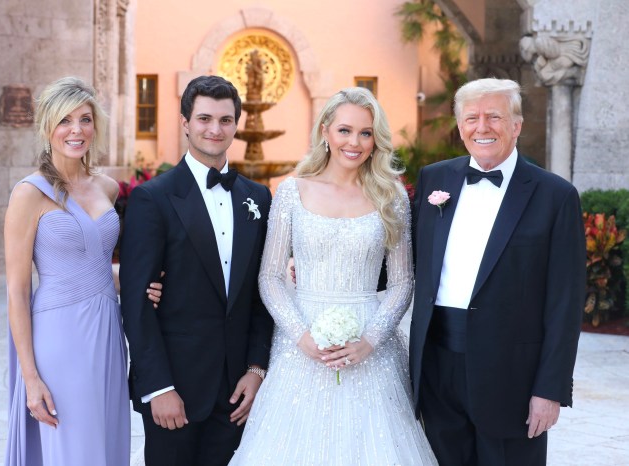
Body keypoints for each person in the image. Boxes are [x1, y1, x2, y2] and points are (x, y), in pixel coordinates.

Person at [229, 87, 437, 465]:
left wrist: (370, 340)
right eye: (345, 130)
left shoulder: (391, 196)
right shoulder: (292, 191)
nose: (354, 142)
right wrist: (301, 336)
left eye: (366, 132)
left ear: (376, 139)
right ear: (325, 131)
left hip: (370, 347)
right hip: (300, 346)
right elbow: (271, 276)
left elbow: (403, 282)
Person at [409, 78, 585, 465]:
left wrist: (550, 390)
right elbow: (406, 261)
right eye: (471, 118)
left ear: (517, 125)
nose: (482, 127)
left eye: (494, 117)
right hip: (438, 367)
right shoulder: (434, 179)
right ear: (460, 127)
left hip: (513, 379)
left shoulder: (556, 196)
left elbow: (565, 304)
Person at [119, 75, 274, 466]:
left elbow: (261, 292)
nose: (214, 129)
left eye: (225, 120)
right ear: (185, 122)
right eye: (204, 118)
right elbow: (137, 305)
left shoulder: (257, 198)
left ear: (236, 124)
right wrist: (158, 388)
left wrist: (256, 370)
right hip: (176, 390)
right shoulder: (151, 198)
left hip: (237, 391)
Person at [4, 77, 130, 465]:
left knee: (105, 443)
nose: (76, 130)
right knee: (73, 446)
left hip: (109, 331)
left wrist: (142, 284)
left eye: (85, 119)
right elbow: (16, 290)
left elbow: (95, 265)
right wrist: (30, 377)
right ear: (47, 127)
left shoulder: (107, 188)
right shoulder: (29, 193)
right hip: (60, 337)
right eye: (65, 120)